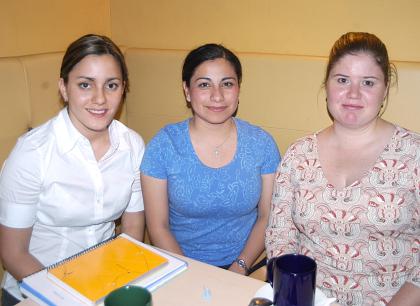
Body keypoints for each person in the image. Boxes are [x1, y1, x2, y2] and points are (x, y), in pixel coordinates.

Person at [265, 32, 419, 306]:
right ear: (327, 85)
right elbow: (280, 237)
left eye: (368, 82)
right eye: (342, 80)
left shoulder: (413, 155)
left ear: (385, 89)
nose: (353, 94)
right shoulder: (298, 155)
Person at [0, 34, 145, 305]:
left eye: (111, 85)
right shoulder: (32, 154)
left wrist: (118, 283)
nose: (100, 99)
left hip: (105, 284)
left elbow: (133, 228)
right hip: (34, 289)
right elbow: (13, 253)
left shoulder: (132, 146)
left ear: (123, 88)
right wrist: (68, 297)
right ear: (64, 88)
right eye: (85, 85)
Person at [140, 43, 280, 275]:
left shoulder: (261, 144)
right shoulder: (164, 146)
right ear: (187, 90)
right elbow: (158, 227)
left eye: (227, 84)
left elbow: (267, 217)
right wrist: (190, 273)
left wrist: (240, 266)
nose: (217, 96)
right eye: (204, 85)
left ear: (238, 89)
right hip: (180, 264)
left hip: (250, 263)